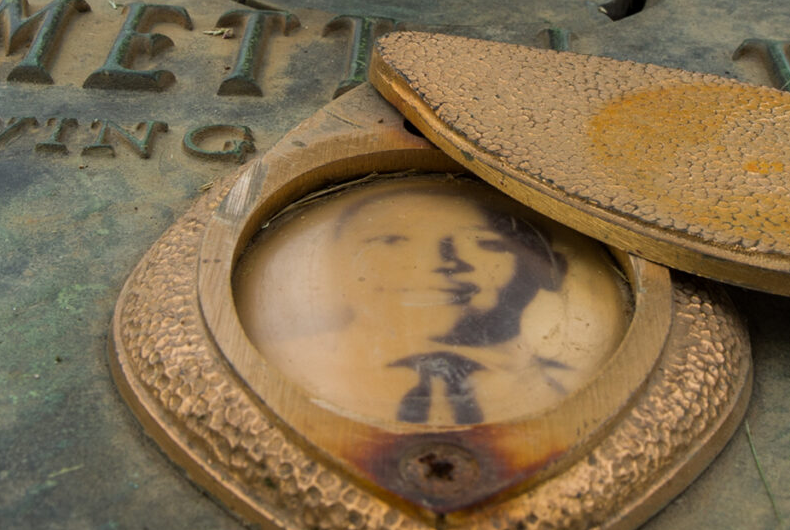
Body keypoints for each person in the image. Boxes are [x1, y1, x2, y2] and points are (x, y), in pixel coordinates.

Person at [237, 174, 625, 429]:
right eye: (390, 241)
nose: (437, 264)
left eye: (483, 242)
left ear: (549, 267)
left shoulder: (590, 381)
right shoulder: (261, 361)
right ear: (332, 261)